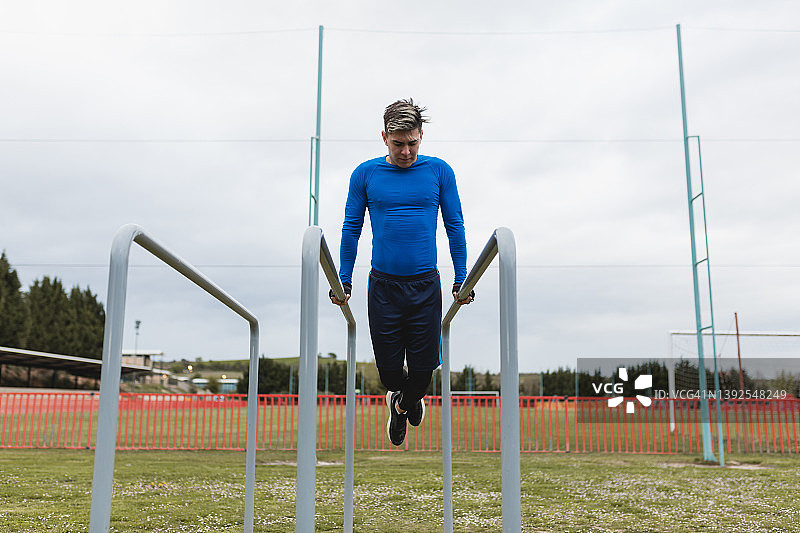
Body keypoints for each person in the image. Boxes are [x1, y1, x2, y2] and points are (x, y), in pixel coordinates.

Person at [330, 98, 474, 447]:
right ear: (384, 137)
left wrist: (462, 276)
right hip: (383, 287)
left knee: (423, 373)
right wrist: (343, 279)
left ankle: (404, 404)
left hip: (426, 286)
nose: (406, 151)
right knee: (390, 373)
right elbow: (351, 228)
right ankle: (398, 394)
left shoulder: (439, 171)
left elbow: (454, 225)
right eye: (398, 144)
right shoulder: (365, 174)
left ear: (421, 136)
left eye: (412, 143)